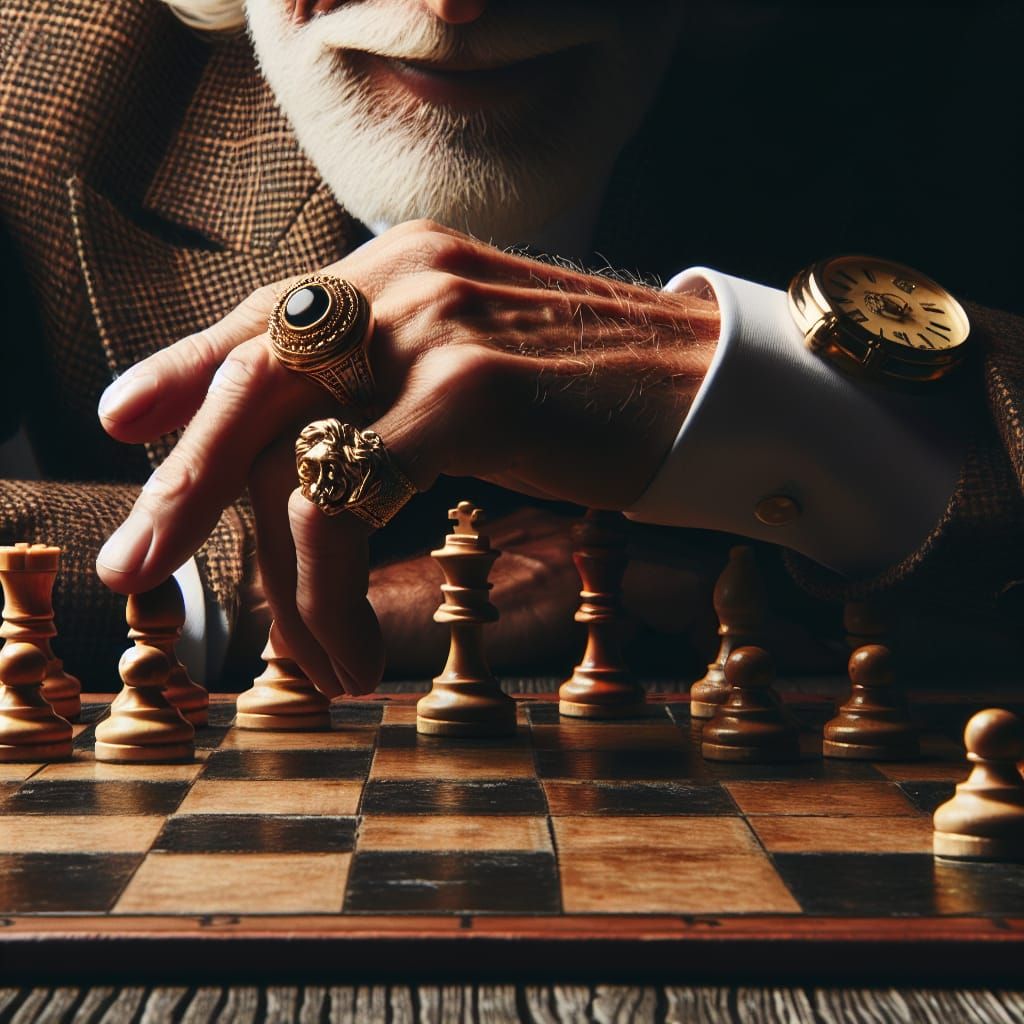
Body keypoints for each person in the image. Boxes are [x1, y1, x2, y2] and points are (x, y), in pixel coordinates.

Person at [2, 1, 1022, 693]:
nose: (456, 6)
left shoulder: (955, 61)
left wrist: (759, 392)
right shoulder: (28, 70)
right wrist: (245, 593)